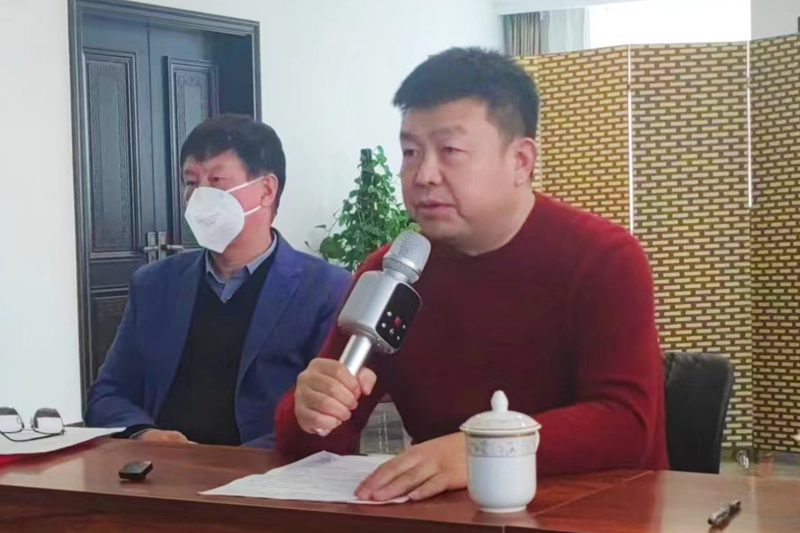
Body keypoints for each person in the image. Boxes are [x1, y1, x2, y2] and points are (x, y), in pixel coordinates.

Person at [274, 48, 668, 501]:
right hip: (451, 514)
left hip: (597, 510)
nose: (423, 175)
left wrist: (482, 450)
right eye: (410, 152)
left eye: (451, 151)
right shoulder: (392, 272)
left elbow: (626, 424)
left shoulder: (603, 259)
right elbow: (315, 445)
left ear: (521, 161)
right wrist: (310, 410)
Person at [85, 114, 350, 448]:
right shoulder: (154, 284)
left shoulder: (325, 289)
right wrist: (145, 434)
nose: (199, 197)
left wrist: (230, 465)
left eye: (216, 182)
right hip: (164, 467)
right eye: (191, 183)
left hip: (268, 471)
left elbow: (330, 417)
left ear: (266, 190)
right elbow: (107, 394)